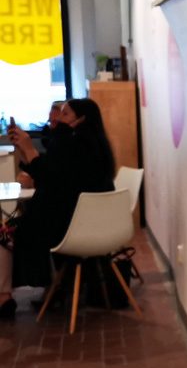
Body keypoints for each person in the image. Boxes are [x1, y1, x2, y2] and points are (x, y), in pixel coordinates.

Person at [0, 98, 116, 318]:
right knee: (16, 226)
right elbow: (55, 177)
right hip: (94, 226)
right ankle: (50, 289)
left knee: (5, 232)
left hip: (69, 228)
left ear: (80, 120)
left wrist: (28, 148)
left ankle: (5, 297)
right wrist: (26, 150)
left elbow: (49, 178)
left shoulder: (72, 146)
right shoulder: (94, 146)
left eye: (64, 114)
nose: (57, 119)